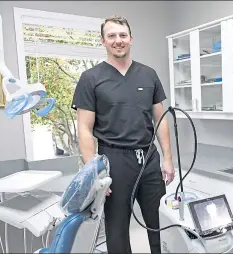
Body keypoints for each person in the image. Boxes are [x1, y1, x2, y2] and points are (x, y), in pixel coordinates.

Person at [71, 15, 175, 253]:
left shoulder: (148, 74)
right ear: (103, 41)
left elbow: (160, 119)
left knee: (161, 222)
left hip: (149, 158)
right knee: (117, 230)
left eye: (122, 35)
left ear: (131, 39)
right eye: (112, 36)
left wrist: (168, 159)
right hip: (113, 161)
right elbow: (85, 130)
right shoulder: (91, 78)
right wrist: (93, 173)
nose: (118, 40)